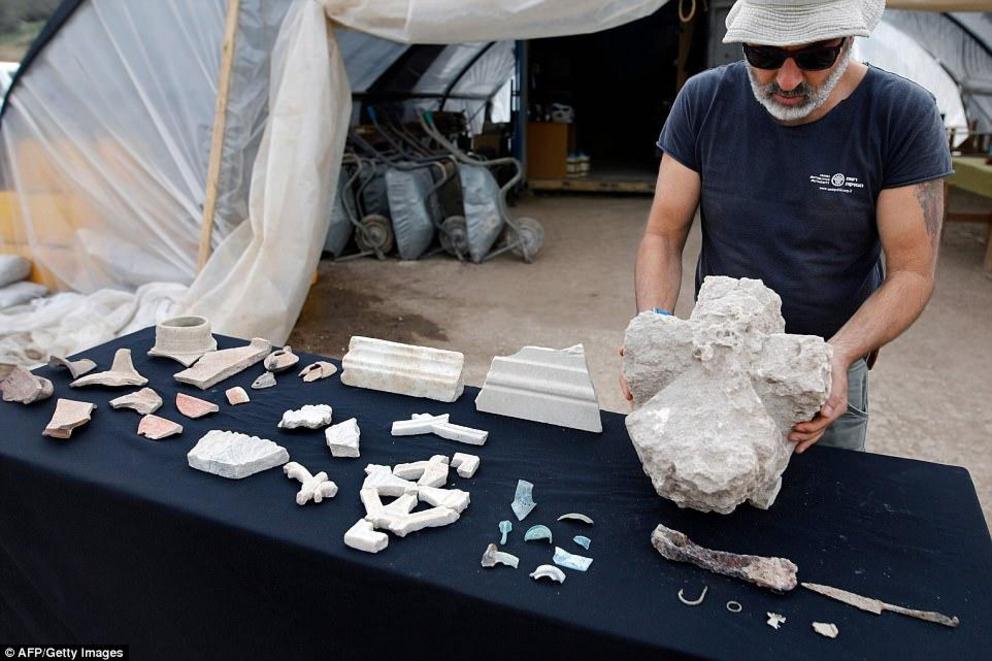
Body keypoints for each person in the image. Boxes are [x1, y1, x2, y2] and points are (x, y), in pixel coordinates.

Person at [624, 0, 953, 453]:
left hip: (824, 365)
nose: (787, 79)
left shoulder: (901, 115)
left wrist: (835, 357)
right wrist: (656, 327)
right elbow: (663, 234)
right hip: (718, 355)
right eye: (765, 55)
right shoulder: (704, 100)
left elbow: (912, 272)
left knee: (823, 510)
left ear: (849, 40)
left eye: (817, 57)